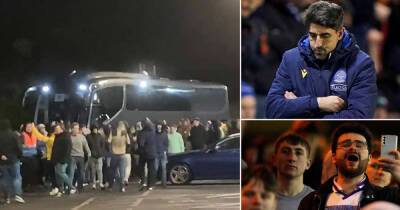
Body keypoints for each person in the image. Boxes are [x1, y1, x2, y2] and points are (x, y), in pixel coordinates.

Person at [265, 1, 377, 119]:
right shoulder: (291, 59)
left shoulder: (361, 64)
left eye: (325, 36)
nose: (318, 44)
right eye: (313, 36)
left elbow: (359, 116)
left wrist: (297, 106)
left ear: (339, 33)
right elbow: (272, 110)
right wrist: (318, 103)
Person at [299, 123, 400, 209]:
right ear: (334, 157)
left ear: (369, 157)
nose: (352, 148)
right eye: (346, 144)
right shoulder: (311, 201)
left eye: (359, 145)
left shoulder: (388, 197)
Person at [273, 133, 314, 210]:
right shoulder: (261, 197)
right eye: (285, 152)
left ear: (308, 164)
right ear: (274, 159)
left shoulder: (316, 200)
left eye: (298, 153)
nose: (292, 158)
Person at [0, 119, 24, 204]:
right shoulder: (14, 135)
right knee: (17, 177)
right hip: (14, 159)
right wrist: (20, 156)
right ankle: (17, 195)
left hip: (2, 161)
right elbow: (19, 147)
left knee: (4, 179)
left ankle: (7, 197)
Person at [51, 124, 74, 197]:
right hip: (56, 159)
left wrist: (64, 159)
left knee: (61, 173)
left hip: (62, 160)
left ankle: (71, 186)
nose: (56, 130)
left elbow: (68, 149)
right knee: (58, 176)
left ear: (62, 129)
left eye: (58, 129)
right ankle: (61, 190)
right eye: (55, 129)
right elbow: (54, 149)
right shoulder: (57, 137)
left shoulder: (65, 137)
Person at [107, 121, 130, 192]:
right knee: (122, 171)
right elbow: (129, 142)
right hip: (122, 154)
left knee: (112, 171)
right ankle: (122, 187)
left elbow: (108, 141)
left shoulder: (113, 131)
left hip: (114, 154)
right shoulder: (125, 133)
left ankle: (110, 186)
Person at [68, 123, 91, 192]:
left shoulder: (81, 137)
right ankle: (70, 187)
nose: (76, 130)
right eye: (75, 128)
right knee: (71, 172)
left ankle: (80, 187)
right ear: (71, 129)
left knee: (81, 173)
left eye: (77, 128)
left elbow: (86, 145)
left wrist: (89, 152)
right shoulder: (69, 137)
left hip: (81, 156)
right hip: (72, 156)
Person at [137, 119, 157, 191]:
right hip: (152, 153)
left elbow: (141, 144)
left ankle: (143, 181)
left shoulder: (142, 133)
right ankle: (150, 185)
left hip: (144, 153)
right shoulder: (153, 132)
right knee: (151, 169)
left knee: (141, 168)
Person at [86, 125, 106, 189]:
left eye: (96, 129)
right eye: (94, 129)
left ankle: (101, 183)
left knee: (100, 170)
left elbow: (103, 145)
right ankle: (94, 184)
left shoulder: (100, 136)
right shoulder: (88, 137)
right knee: (93, 171)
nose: (95, 130)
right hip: (92, 156)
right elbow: (87, 146)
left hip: (99, 156)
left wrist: (102, 154)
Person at [154, 122, 168, 187]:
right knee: (155, 168)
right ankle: (153, 182)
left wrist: (165, 151)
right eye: (158, 125)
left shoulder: (164, 134)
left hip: (163, 153)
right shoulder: (154, 134)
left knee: (164, 168)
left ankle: (164, 183)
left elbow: (166, 143)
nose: (159, 127)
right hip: (156, 153)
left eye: (160, 125)